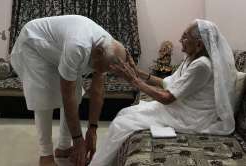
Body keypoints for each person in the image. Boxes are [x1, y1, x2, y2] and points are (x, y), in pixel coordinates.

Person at [89, 19, 237, 166]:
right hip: (182, 109)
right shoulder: (191, 59)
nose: (180, 40)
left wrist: (134, 81)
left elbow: (167, 98)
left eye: (185, 37)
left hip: (192, 117)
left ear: (199, 44)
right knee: (124, 114)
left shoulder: (202, 65)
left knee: (123, 123)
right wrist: (136, 72)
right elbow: (166, 83)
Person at [10, 15, 127, 166]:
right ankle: (45, 154)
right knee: (44, 98)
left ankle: (64, 147)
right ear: (97, 53)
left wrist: (92, 129)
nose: (99, 71)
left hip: (59, 49)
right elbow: (67, 96)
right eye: (100, 68)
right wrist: (79, 140)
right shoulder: (78, 46)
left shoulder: (109, 48)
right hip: (35, 44)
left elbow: (97, 91)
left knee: (77, 95)